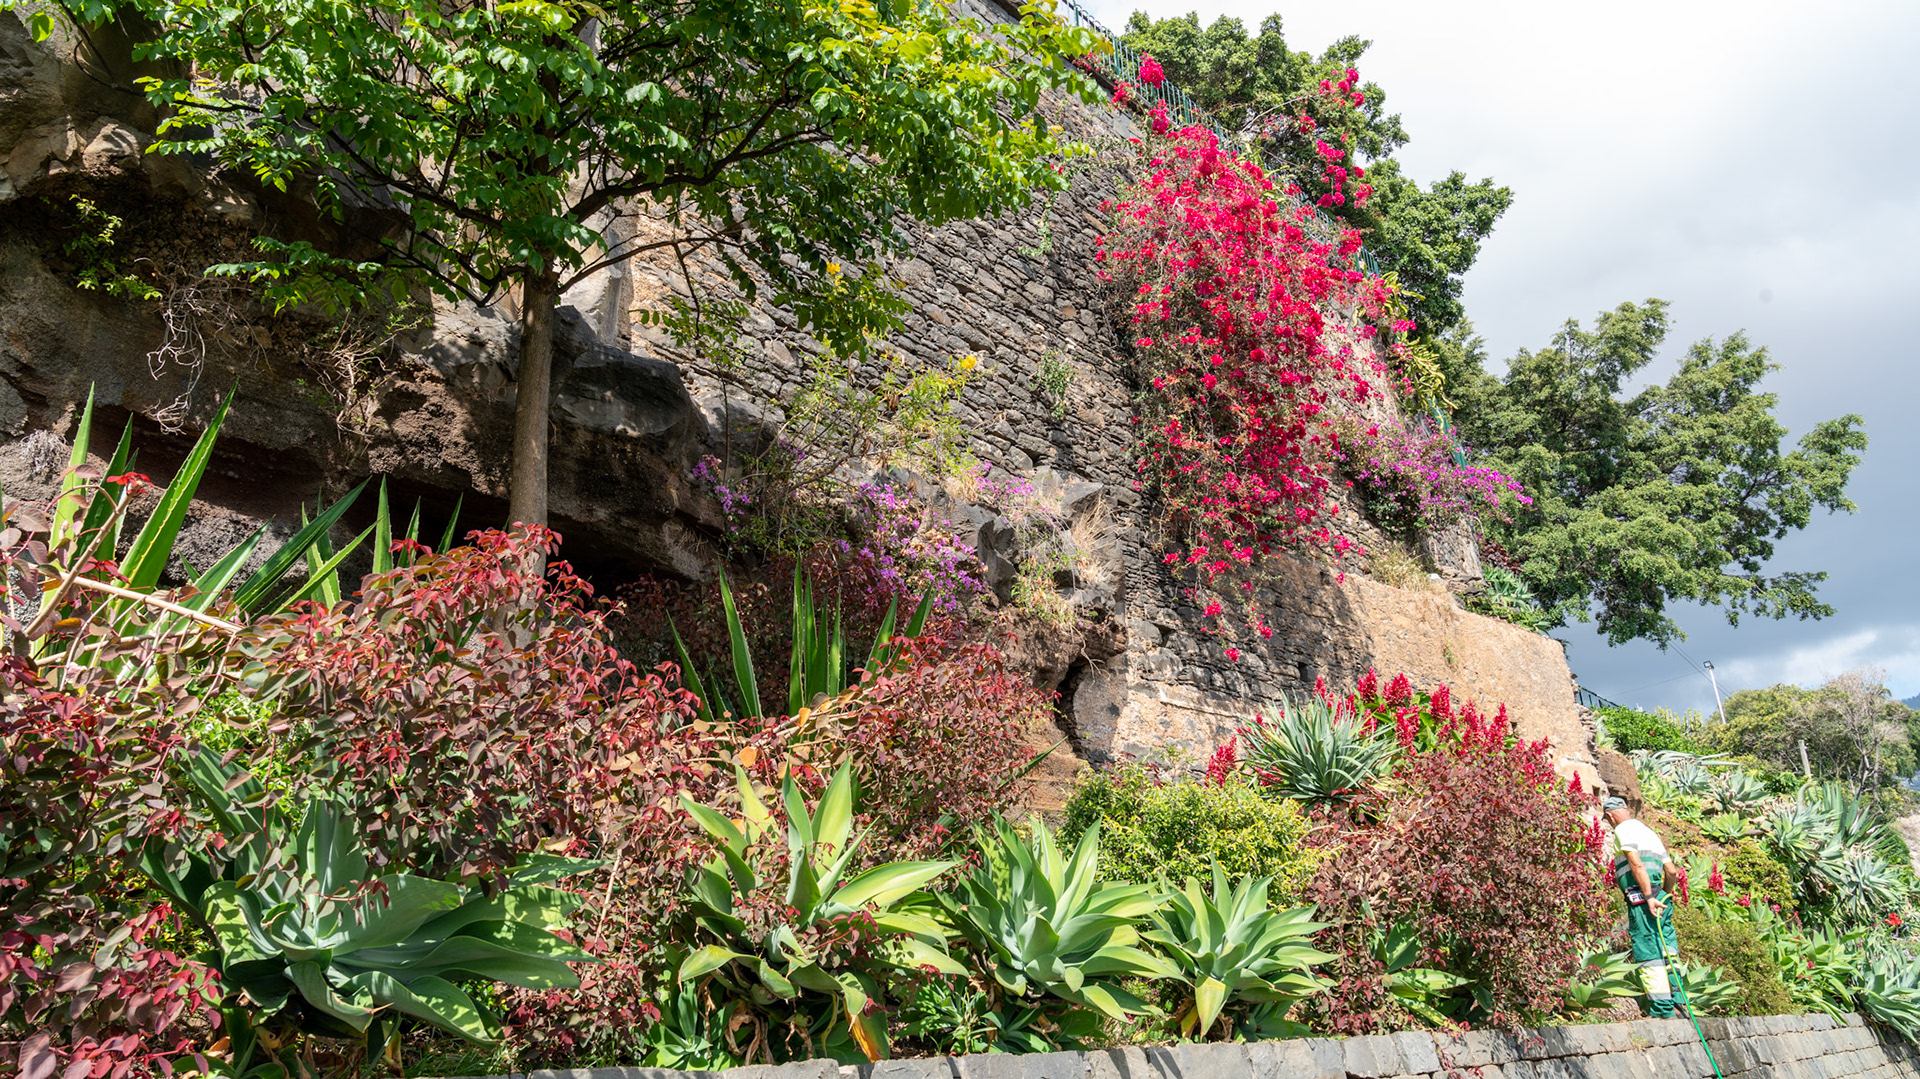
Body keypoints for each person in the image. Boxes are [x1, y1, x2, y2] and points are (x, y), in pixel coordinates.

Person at [1603, 795, 1689, 1017]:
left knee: (1649, 954)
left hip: (1643, 902)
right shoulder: (1649, 833)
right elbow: (1671, 872)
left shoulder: (1623, 831)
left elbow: (1636, 863)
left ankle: (1662, 1010)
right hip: (1662, 900)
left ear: (1611, 816)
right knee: (1668, 951)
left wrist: (1649, 896)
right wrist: (1666, 895)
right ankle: (1680, 1004)